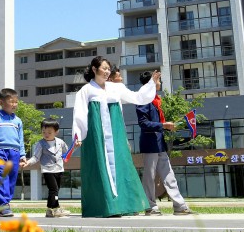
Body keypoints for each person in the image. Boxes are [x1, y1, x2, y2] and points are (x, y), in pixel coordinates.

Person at [71, 56, 160, 218]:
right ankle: (105, 207)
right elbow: (80, 114)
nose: (107, 72)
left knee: (121, 166)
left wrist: (151, 84)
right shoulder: (86, 91)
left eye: (108, 69)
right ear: (94, 69)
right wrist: (78, 135)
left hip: (116, 134)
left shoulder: (115, 88)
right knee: (99, 168)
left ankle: (123, 205)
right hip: (96, 136)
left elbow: (137, 98)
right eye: (104, 68)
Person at [136, 70, 195, 216]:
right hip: (150, 144)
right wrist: (163, 125)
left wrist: (168, 126)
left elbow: (158, 123)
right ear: (151, 83)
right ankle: (150, 207)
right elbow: (143, 123)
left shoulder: (156, 100)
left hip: (159, 143)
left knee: (169, 174)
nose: (160, 83)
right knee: (149, 176)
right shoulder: (143, 99)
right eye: (157, 80)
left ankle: (179, 205)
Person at [0, 88, 26, 217]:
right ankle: (3, 206)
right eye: (11, 101)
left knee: (12, 178)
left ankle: (5, 204)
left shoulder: (18, 121)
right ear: (1, 102)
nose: (14, 104)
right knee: (1, 177)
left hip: (14, 152)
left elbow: (21, 139)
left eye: (16, 102)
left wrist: (23, 155)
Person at [24, 119, 70, 218]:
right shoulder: (40, 144)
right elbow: (36, 157)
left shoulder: (60, 142)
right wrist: (28, 162)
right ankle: (56, 209)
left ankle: (50, 210)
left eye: (49, 132)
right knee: (53, 189)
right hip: (48, 169)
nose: (46, 134)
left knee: (56, 190)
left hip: (59, 169)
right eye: (44, 132)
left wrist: (75, 147)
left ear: (56, 132)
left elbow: (67, 153)